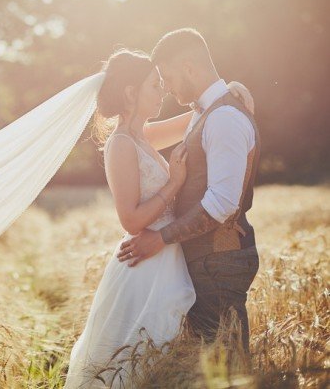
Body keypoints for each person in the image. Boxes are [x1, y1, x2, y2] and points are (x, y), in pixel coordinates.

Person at [64, 48, 254, 388]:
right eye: (155, 85)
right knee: (134, 364)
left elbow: (200, 116)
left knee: (163, 362)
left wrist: (231, 91)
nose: (163, 91)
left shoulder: (142, 136)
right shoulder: (120, 143)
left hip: (167, 256)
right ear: (130, 93)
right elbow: (131, 221)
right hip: (146, 262)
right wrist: (174, 184)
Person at [117, 28, 260, 355]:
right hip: (203, 261)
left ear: (189, 68)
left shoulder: (223, 117)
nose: (165, 88)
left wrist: (160, 237)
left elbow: (222, 203)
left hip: (219, 259)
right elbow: (145, 136)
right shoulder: (207, 112)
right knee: (212, 365)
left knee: (227, 366)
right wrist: (230, 87)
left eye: (166, 77)